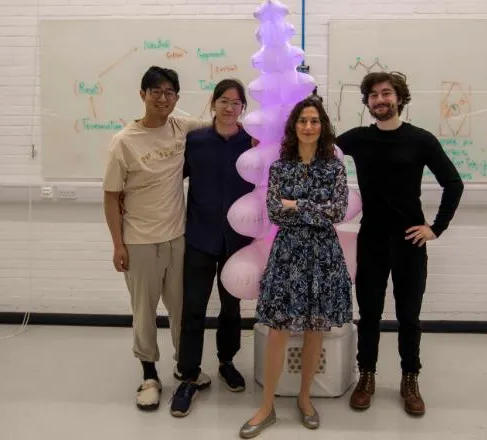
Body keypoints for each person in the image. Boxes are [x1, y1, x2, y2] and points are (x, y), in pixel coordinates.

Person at [335, 71, 464, 416]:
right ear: (367, 103)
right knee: (370, 314)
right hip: (372, 239)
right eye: (374, 95)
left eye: (386, 93)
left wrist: (435, 228)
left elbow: (454, 183)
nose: (380, 100)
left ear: (399, 98)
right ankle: (367, 376)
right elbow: (319, 146)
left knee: (409, 316)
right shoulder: (359, 139)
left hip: (409, 241)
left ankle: (410, 378)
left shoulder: (420, 140)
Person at [239, 98, 353, 438]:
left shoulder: (334, 167)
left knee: (316, 327)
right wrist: (313, 207)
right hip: (288, 254)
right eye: (302, 120)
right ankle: (267, 405)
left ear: (322, 126)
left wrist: (297, 204)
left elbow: (339, 211)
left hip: (323, 256)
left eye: (314, 121)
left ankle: (305, 399)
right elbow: (275, 211)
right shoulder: (279, 167)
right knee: (278, 330)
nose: (308, 126)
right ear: (294, 126)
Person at [102, 65, 212, 412]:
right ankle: (149, 375)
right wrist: (118, 244)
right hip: (139, 241)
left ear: (176, 98)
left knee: (181, 310)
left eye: (169, 93)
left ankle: (185, 366)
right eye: (156, 92)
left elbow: (221, 125)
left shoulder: (182, 127)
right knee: (144, 312)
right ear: (142, 95)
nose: (163, 99)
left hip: (177, 239)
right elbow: (110, 196)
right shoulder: (124, 142)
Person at [169, 79, 256, 417]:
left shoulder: (252, 142)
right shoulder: (196, 141)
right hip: (200, 237)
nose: (229, 107)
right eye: (223, 100)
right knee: (193, 308)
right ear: (213, 103)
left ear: (243, 108)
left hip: (238, 240)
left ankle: (226, 361)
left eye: (236, 102)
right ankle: (189, 375)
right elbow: (172, 179)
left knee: (231, 308)